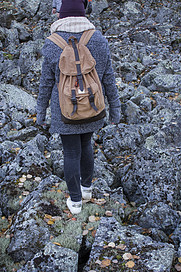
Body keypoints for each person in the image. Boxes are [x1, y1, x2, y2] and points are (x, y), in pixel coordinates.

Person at [36, 0, 121, 214]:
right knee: (86, 145)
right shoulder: (98, 40)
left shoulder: (52, 42)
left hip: (65, 112)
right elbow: (108, 77)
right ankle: (87, 189)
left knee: (70, 152)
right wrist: (116, 109)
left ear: (62, 15)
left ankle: (75, 202)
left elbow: (46, 82)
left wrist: (40, 113)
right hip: (92, 108)